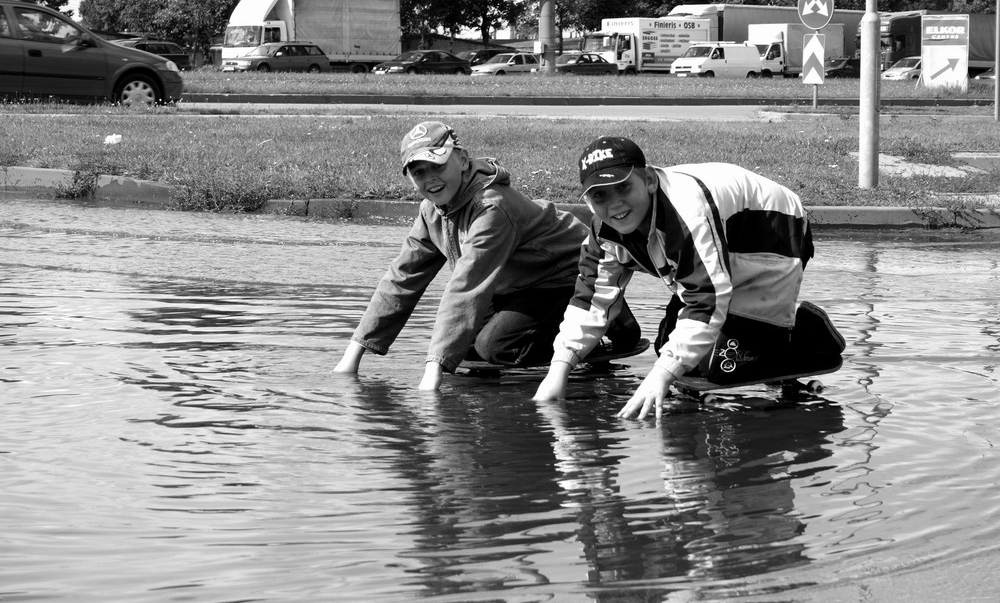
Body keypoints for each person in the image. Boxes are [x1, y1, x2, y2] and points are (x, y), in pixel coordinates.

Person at [533, 135, 843, 418]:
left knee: (720, 367)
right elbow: (591, 300)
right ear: (587, 200)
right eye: (599, 195)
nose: (614, 204)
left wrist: (660, 377)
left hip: (770, 231)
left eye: (624, 187)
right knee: (669, 346)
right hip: (722, 233)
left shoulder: (687, 214)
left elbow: (707, 298)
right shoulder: (602, 232)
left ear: (649, 180)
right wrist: (558, 370)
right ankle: (763, 332)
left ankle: (803, 332)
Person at [334, 121, 641, 390]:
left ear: (463, 159)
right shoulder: (431, 212)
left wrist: (432, 377)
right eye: (418, 171)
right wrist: (353, 357)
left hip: (566, 276)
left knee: (497, 348)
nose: (430, 178)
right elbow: (401, 280)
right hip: (516, 285)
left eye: (438, 166)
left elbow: (466, 286)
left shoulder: (491, 207)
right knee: (463, 349)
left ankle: (605, 318)